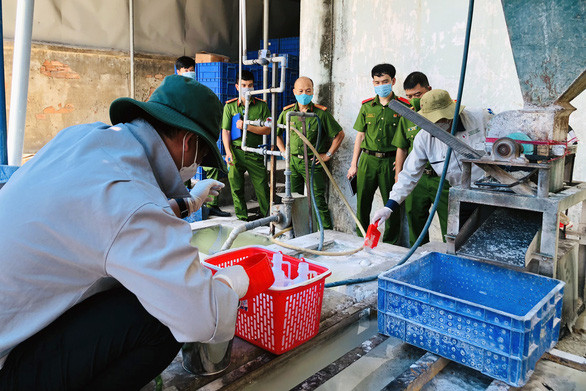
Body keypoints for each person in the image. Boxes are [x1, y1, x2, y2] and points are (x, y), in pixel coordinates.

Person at [0, 75, 252, 390]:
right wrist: (227, 286)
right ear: (189, 143)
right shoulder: (131, 197)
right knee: (161, 319)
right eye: (201, 157)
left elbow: (102, 220)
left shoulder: (82, 137)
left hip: (12, 323)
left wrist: (187, 204)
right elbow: (200, 320)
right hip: (7, 367)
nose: (196, 165)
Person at [373, 89, 493, 228]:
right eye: (434, 120)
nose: (440, 122)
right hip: (461, 196)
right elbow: (409, 174)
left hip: (491, 193)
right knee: (463, 238)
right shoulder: (424, 138)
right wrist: (389, 207)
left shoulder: (480, 118)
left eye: (443, 119)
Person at [347, 63, 411, 244]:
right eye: (377, 82)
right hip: (367, 160)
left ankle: (390, 245)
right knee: (362, 205)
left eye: (385, 81)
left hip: (390, 162)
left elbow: (407, 139)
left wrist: (401, 167)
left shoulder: (403, 107)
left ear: (393, 81)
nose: (380, 85)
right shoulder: (367, 106)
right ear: (373, 83)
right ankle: (362, 242)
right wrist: (354, 164)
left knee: (392, 205)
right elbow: (359, 136)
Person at [276, 76, 345, 230]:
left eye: (308, 91)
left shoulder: (321, 114)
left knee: (317, 199)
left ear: (313, 91)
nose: (304, 94)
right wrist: (283, 151)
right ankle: (294, 231)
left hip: (313, 163)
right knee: (292, 198)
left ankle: (326, 232)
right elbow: (276, 133)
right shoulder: (288, 112)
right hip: (292, 163)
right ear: (294, 92)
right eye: (300, 91)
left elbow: (339, 134)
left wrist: (327, 155)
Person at [392, 71, 450, 245]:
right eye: (409, 96)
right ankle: (417, 258)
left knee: (451, 226)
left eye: (418, 94)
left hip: (443, 179)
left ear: (428, 90)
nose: (414, 100)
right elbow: (401, 147)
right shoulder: (408, 117)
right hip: (418, 179)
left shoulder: (445, 113)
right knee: (416, 225)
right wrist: (398, 177)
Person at [176, 55, 230, 217]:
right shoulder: (173, 91)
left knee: (211, 168)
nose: (190, 73)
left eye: (192, 70)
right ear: (178, 71)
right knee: (181, 173)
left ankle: (212, 206)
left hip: (199, 138)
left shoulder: (199, 90)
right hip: (182, 139)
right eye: (186, 70)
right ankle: (184, 206)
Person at [222, 70, 271, 221]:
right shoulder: (230, 107)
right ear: (237, 86)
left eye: (250, 85)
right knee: (236, 187)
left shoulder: (262, 106)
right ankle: (242, 217)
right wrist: (228, 152)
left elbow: (268, 129)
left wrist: (247, 127)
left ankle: (266, 216)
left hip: (255, 152)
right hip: (236, 153)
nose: (247, 88)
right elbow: (226, 131)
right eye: (243, 85)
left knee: (262, 186)